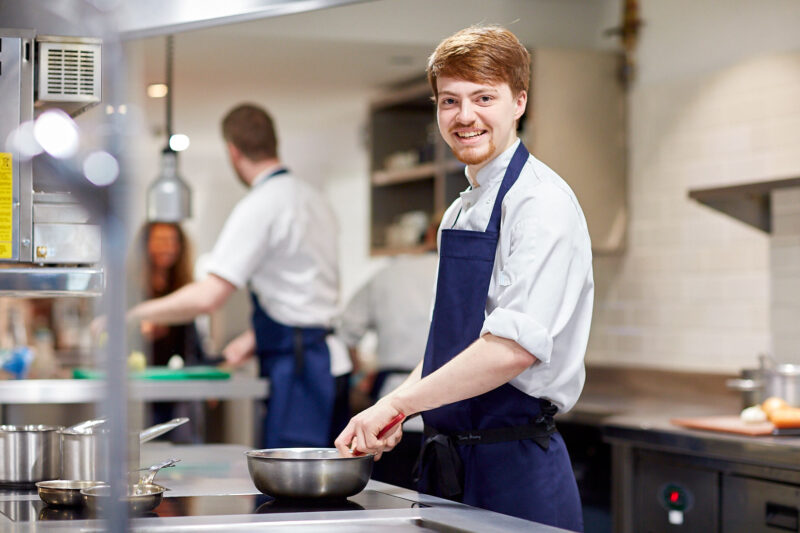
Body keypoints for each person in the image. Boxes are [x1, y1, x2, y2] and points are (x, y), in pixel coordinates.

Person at [334, 25, 593, 531]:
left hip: (514, 471)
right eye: (449, 100)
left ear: (519, 103)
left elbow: (511, 350)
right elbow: (451, 348)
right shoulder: (459, 210)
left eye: (484, 98)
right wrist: (394, 413)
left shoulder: (541, 204)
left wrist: (396, 402)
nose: (465, 116)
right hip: (449, 468)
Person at [128, 103, 351, 449]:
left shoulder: (262, 204)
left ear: (233, 151)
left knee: (289, 478)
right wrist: (254, 338)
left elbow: (209, 296)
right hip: (332, 363)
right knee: (326, 474)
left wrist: (133, 314)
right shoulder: (313, 198)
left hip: (301, 370)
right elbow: (302, 290)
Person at [335, 215, 440, 489]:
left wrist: (359, 375)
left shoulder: (389, 273)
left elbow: (346, 330)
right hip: (445, 408)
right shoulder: (468, 278)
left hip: (391, 410)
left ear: (429, 233)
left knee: (389, 498)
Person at [131, 222, 205, 441]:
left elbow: (192, 343)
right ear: (146, 245)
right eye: (161, 240)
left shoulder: (183, 287)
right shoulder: (132, 288)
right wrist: (138, 332)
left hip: (176, 387)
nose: (168, 247)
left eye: (173, 241)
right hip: (141, 388)